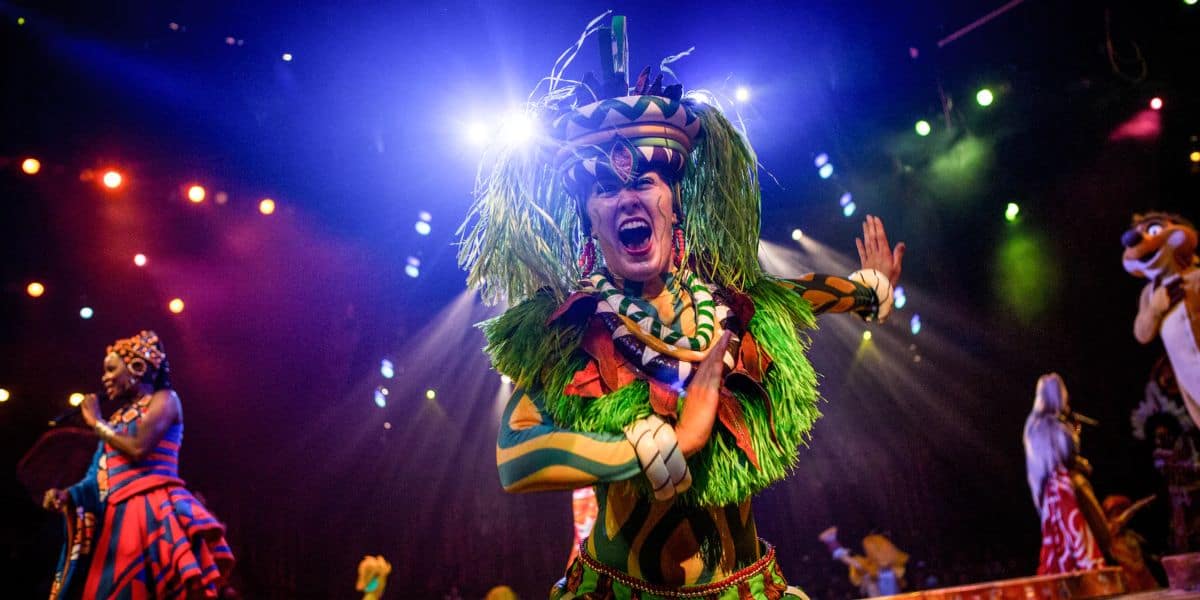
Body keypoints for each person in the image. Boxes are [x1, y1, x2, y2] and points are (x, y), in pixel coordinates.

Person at [460, 15, 904, 599]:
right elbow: (515, 455)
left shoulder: (736, 308)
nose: (626, 196)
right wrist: (636, 450)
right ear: (590, 216)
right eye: (604, 188)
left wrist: (869, 290)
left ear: (673, 202)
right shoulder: (568, 329)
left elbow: (809, 294)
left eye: (645, 180)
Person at [41, 330, 234, 598]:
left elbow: (139, 448)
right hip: (115, 519)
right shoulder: (117, 419)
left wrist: (97, 423)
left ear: (137, 367)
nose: (104, 378)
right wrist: (68, 496)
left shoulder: (165, 400)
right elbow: (96, 478)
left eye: (111, 369)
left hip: (152, 512)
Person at [1022, 373, 1106, 575]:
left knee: (1063, 547)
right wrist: (1074, 431)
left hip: (1047, 494)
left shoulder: (1031, 426)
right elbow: (1067, 453)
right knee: (1096, 535)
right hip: (1065, 488)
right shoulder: (1053, 424)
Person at [818, 527, 908, 597]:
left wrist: (832, 542)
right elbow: (849, 561)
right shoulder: (871, 568)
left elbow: (848, 560)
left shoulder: (887, 569)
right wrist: (832, 542)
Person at [1101, 495, 1159, 591]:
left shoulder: (1130, 534)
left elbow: (1143, 552)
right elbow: (1124, 518)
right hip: (1128, 579)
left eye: (1120, 510)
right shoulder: (1109, 531)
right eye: (1114, 511)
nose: (1118, 514)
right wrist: (1138, 505)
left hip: (1144, 577)